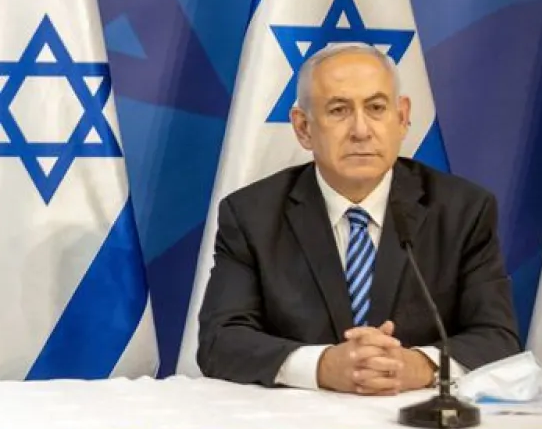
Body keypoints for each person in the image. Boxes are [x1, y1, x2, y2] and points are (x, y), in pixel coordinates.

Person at [197, 42, 519, 392]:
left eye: (376, 108)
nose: (361, 130)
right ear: (303, 128)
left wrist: (420, 366)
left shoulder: (462, 211)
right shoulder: (252, 216)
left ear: (402, 117)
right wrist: (321, 366)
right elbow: (219, 342)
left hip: (416, 416)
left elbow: (497, 338)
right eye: (338, 110)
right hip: (300, 419)